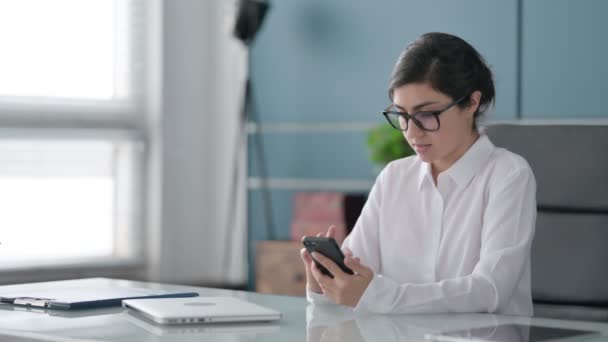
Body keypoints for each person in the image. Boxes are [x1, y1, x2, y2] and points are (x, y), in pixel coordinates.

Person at [299, 32, 537, 315]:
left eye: (427, 114)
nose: (411, 132)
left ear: (472, 102)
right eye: (402, 115)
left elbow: (490, 291)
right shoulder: (394, 177)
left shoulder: (508, 175)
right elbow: (356, 285)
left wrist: (380, 296)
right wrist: (325, 282)